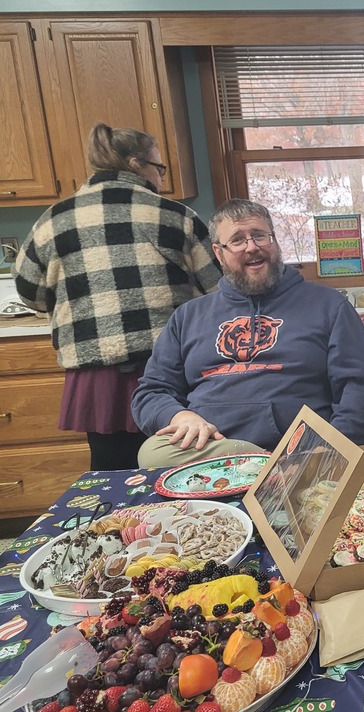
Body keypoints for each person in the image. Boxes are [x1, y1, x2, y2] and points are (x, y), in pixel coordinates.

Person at [13, 123, 222, 471]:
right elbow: (217, 288)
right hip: (169, 365)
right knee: (183, 465)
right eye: (159, 168)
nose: (161, 178)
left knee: (112, 472)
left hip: (97, 374)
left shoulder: (52, 221)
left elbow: (28, 292)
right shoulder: (175, 216)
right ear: (137, 164)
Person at [131, 198, 364, 467]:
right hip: (212, 454)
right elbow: (151, 392)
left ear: (275, 241)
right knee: (151, 453)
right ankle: (258, 464)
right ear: (218, 253)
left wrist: (330, 446)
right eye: (237, 240)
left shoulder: (330, 306)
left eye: (260, 235)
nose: (252, 247)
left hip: (301, 453)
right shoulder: (187, 317)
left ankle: (260, 466)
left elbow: (358, 390)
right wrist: (180, 417)